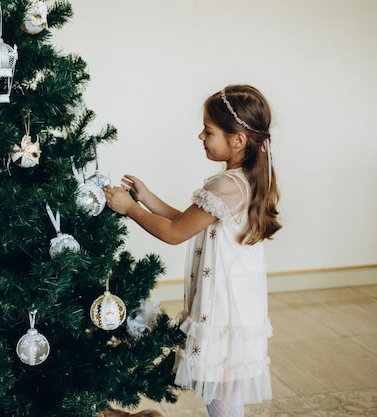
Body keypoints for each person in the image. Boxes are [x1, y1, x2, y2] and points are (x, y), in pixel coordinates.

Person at [104, 84, 281, 417]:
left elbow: (174, 233)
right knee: (224, 386)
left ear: (237, 140)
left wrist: (130, 209)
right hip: (237, 302)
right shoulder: (245, 178)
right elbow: (189, 220)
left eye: (209, 130)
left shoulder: (226, 185)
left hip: (223, 307)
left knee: (218, 388)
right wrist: (147, 197)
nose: (201, 136)